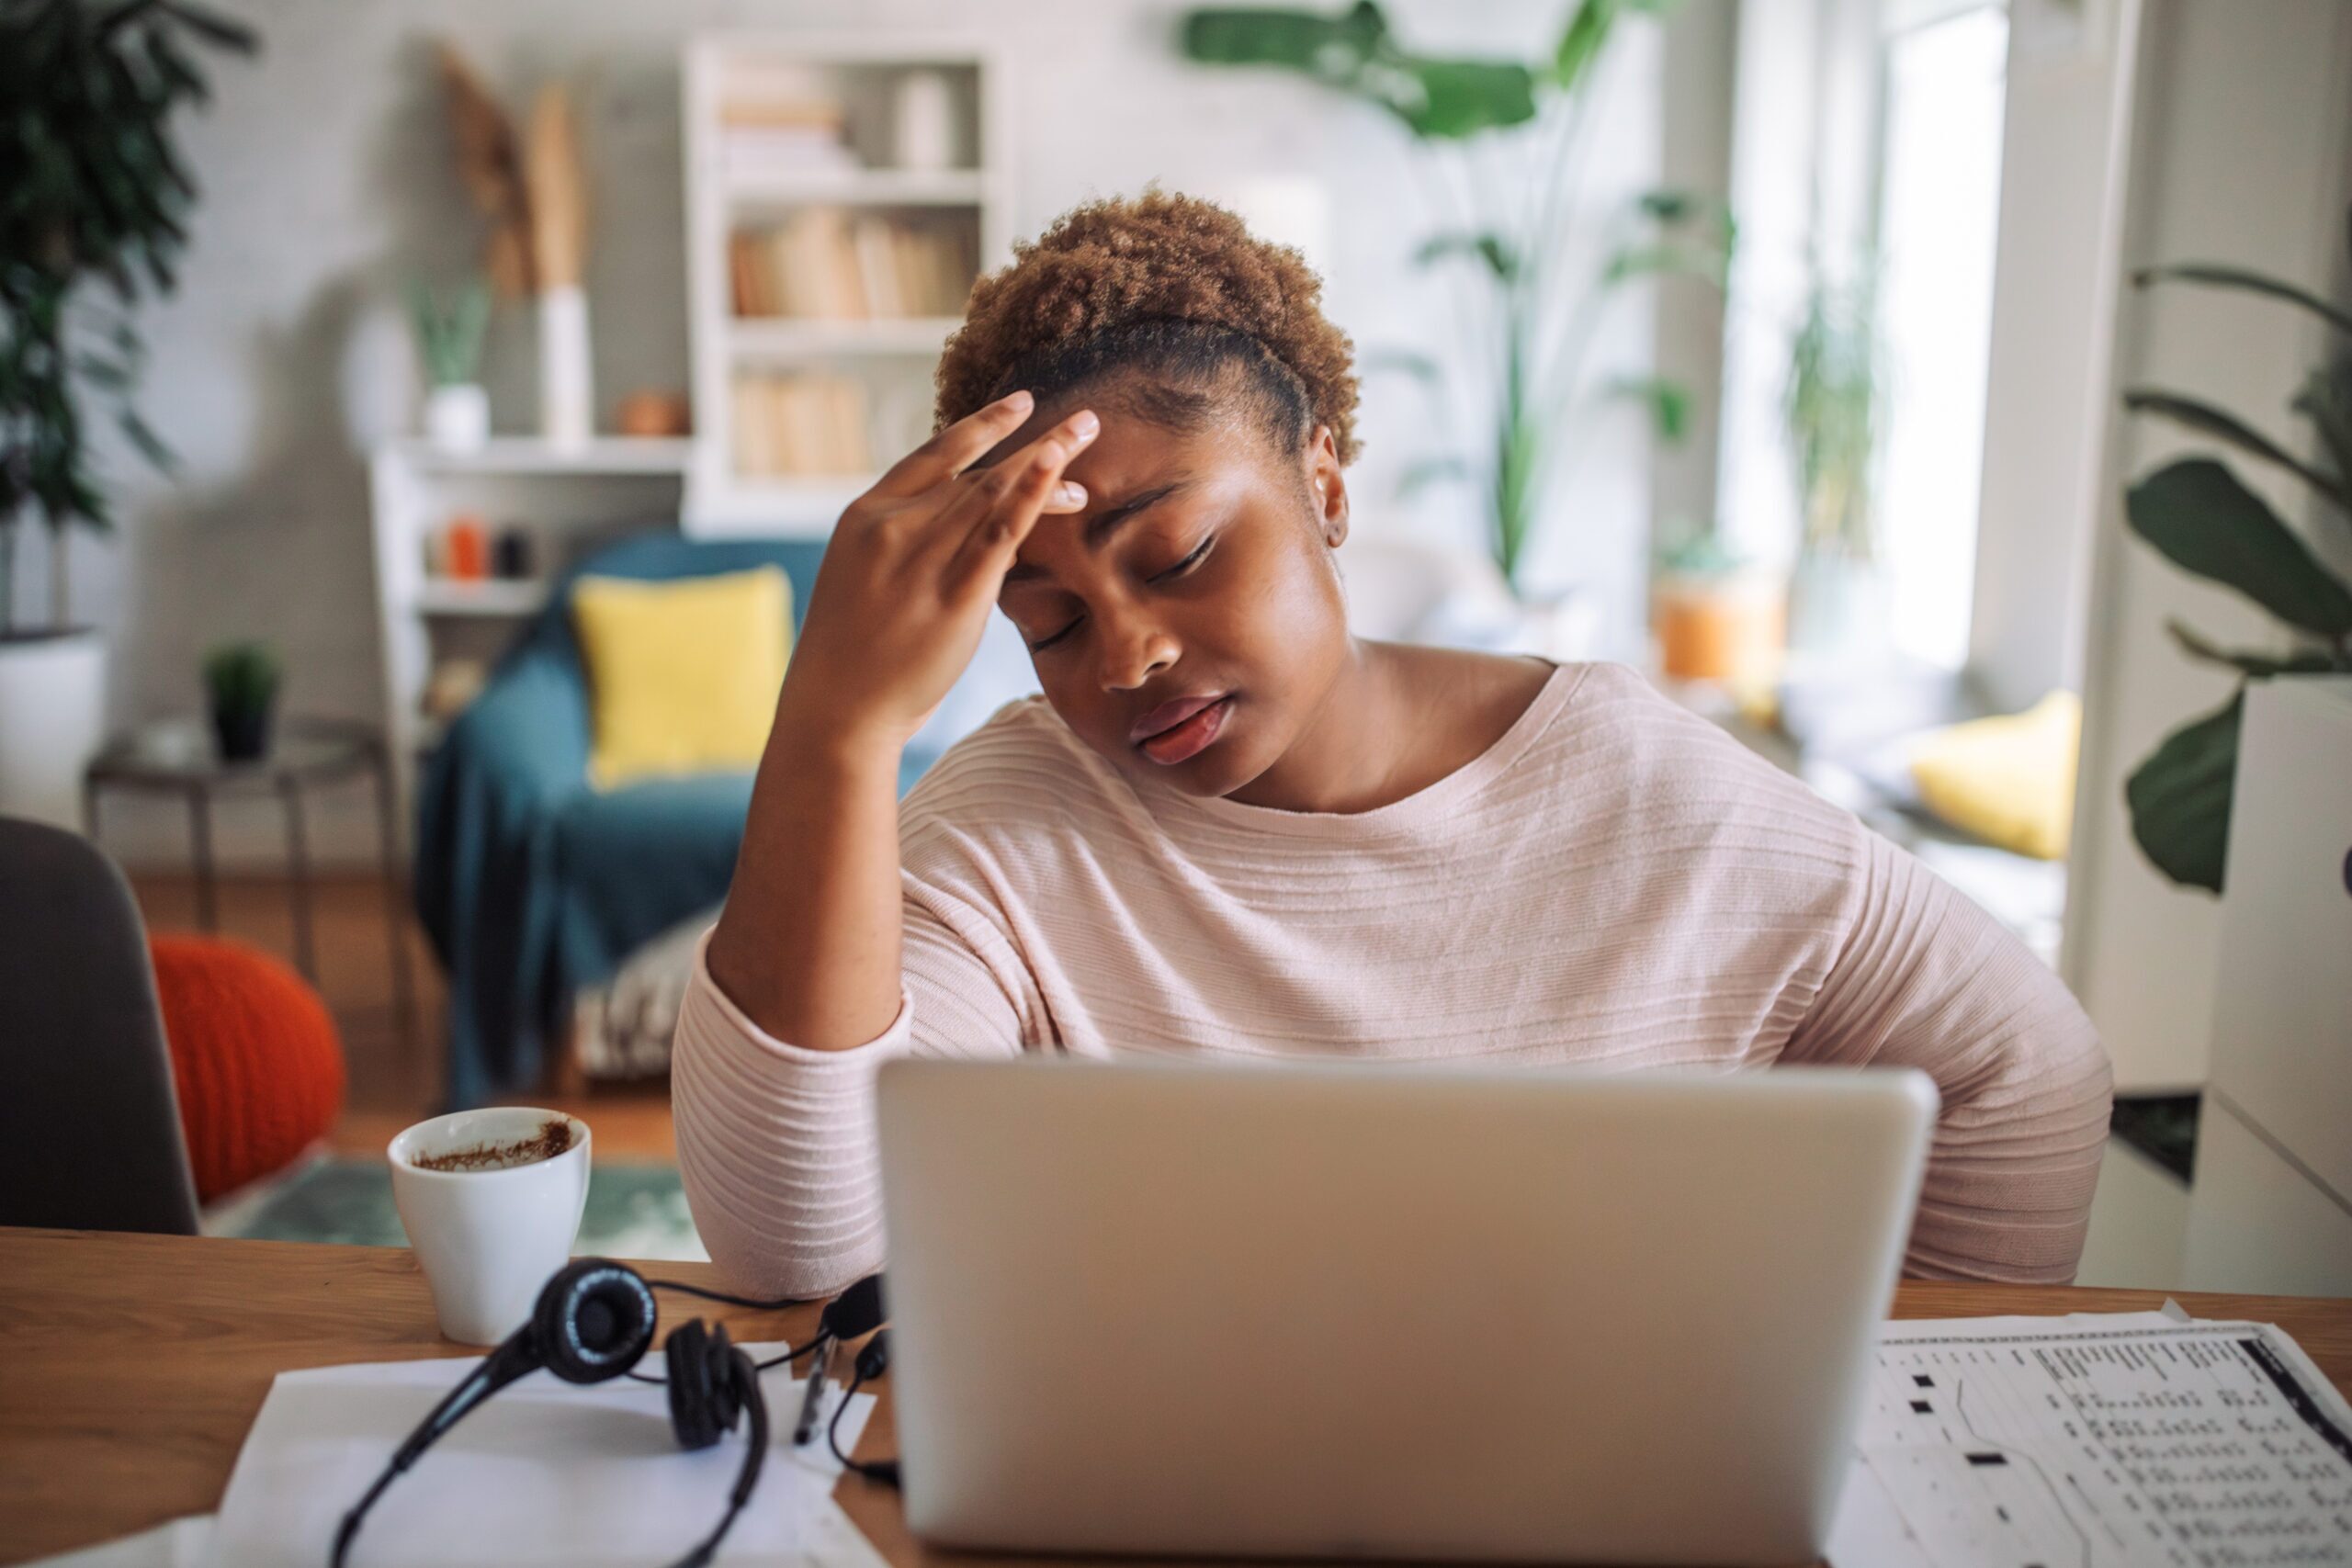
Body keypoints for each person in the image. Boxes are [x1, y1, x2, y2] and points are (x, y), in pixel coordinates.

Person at [674, 191, 2111, 1298]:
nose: (1126, 658)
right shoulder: (1017, 827)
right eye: (1047, 624)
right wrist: (839, 728)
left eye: (1174, 553)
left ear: (1324, 486)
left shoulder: (1645, 790)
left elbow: (2024, 1070)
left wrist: (1914, 1397)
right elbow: (804, 1253)